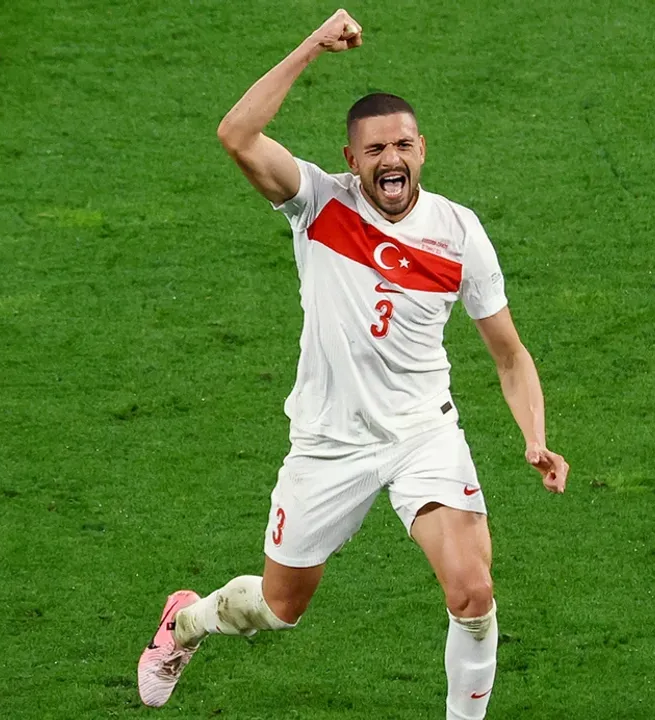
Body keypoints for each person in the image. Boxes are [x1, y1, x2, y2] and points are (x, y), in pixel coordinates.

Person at [137, 9, 569, 719]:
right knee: (278, 608)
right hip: (329, 440)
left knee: (473, 593)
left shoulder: (459, 232)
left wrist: (535, 436)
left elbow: (510, 354)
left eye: (402, 144)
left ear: (422, 149)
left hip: (422, 432)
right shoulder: (316, 203)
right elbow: (236, 134)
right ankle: (186, 621)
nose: (389, 158)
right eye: (374, 149)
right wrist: (311, 46)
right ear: (351, 156)